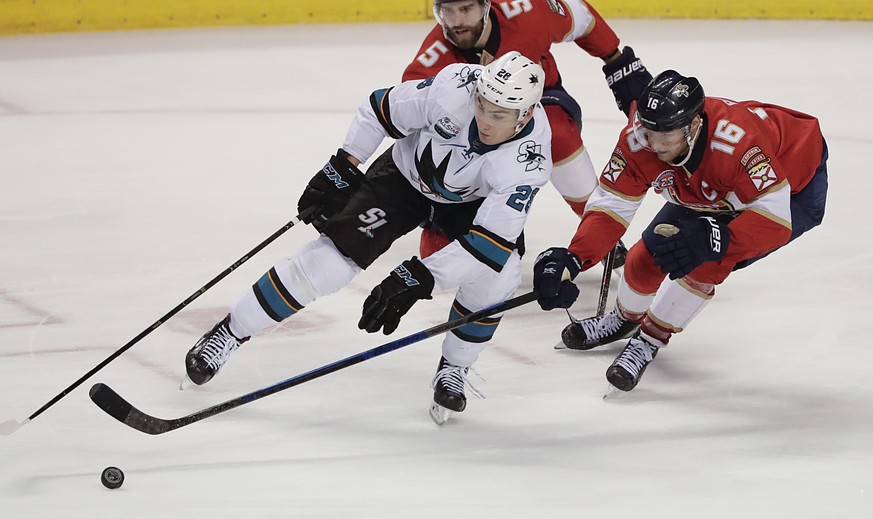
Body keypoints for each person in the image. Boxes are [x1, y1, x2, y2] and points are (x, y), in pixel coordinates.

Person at [183, 52, 551, 424]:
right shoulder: (454, 86)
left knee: (499, 275)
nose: (485, 120)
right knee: (328, 263)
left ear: (526, 113)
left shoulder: (528, 162)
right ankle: (230, 332)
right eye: (482, 106)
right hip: (403, 181)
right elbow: (379, 108)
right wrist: (342, 166)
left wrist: (417, 278)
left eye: (499, 114)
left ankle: (454, 367)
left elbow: (490, 245)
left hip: (469, 207)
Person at [531, 70, 828, 391]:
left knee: (708, 259)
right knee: (647, 255)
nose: (654, 144)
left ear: (694, 126)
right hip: (707, 188)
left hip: (791, 190)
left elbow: (775, 219)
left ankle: (650, 339)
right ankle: (624, 320)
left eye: (665, 135)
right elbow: (610, 206)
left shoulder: (740, 144)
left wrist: (719, 238)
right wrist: (575, 258)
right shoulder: (640, 140)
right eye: (649, 131)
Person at [404, 0, 652, 263]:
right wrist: (434, 193)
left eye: (465, 9)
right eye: (447, 12)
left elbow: (580, 16)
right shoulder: (433, 58)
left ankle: (598, 225)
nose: (456, 22)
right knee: (440, 257)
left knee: (558, 136)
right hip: (482, 128)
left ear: (486, 6)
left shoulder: (527, 13)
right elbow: (410, 115)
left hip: (543, 102)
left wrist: (616, 60)